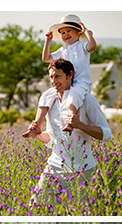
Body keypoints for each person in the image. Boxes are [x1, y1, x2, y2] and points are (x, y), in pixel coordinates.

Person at [29, 59, 112, 205]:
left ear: (70, 75)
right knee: (35, 207)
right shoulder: (51, 102)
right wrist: (37, 134)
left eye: (58, 76)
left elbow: (106, 134)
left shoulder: (87, 100)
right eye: (51, 77)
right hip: (54, 167)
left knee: (76, 213)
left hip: (82, 171)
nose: (53, 81)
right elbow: (52, 139)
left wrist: (80, 125)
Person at [23, 14, 97, 137]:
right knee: (46, 95)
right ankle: (37, 125)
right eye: (62, 33)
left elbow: (93, 46)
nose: (65, 34)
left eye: (69, 31)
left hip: (81, 83)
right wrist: (48, 41)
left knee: (74, 94)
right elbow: (46, 58)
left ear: (79, 32)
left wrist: (86, 32)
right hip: (65, 84)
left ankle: (71, 120)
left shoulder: (82, 45)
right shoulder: (63, 50)